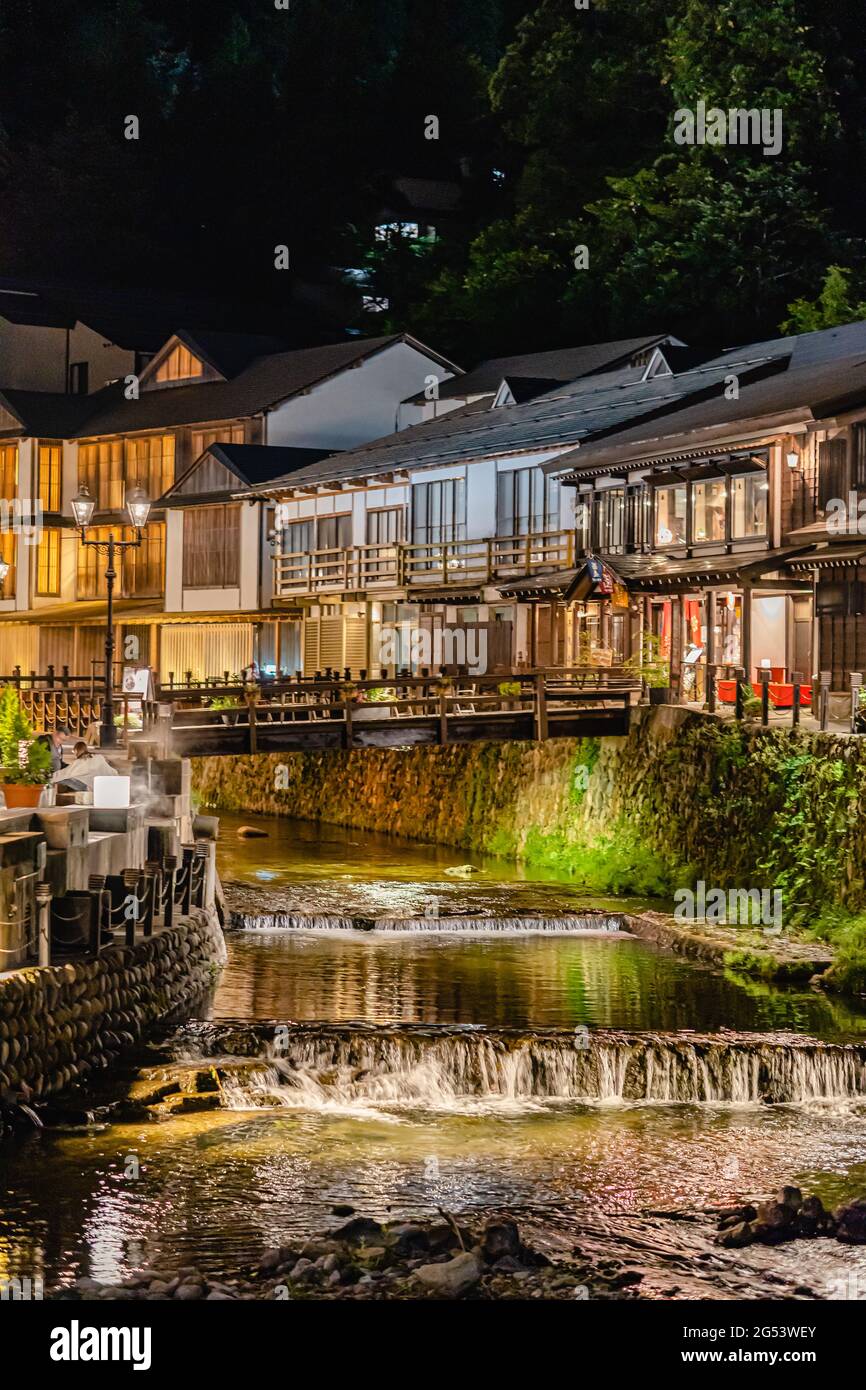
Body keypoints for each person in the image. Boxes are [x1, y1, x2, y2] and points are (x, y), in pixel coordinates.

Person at [53, 741, 119, 792]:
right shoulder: (98, 757)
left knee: (65, 778)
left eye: (73, 751)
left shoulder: (80, 762)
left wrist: (50, 778)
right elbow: (112, 771)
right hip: (108, 784)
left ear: (76, 750)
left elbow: (65, 773)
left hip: (90, 788)